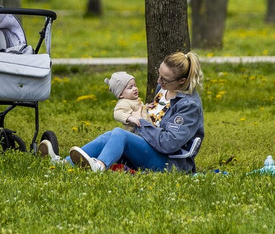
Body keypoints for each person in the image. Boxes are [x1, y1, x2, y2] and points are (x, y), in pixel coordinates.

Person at [50, 51, 205, 173]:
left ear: (181, 81)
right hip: (151, 147)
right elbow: (156, 117)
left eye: (164, 79)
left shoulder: (188, 105)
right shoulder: (164, 88)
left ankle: (99, 166)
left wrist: (140, 123)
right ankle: (64, 164)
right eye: (159, 75)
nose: (159, 81)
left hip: (170, 162)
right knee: (110, 135)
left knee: (120, 134)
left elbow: (169, 143)